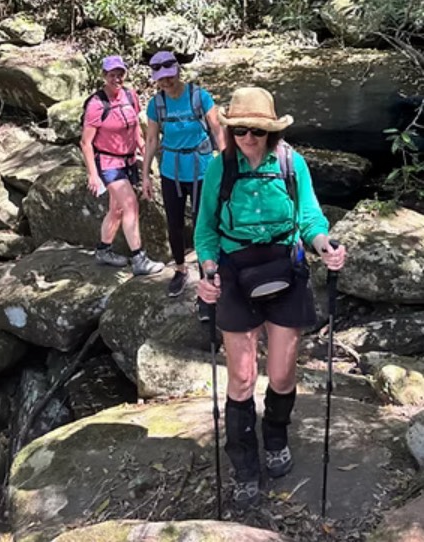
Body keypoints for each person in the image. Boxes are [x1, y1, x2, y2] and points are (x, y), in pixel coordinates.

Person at [195, 87, 346, 509]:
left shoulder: (290, 163)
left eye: (257, 131)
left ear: (271, 132)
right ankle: (244, 464)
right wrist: (207, 271)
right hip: (235, 274)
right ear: (230, 131)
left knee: (280, 375)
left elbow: (309, 216)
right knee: (242, 377)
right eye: (240, 130)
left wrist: (325, 246)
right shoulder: (219, 167)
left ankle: (276, 438)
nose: (248, 138)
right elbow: (205, 229)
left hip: (285, 270)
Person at [142, 50, 225, 302]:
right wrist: (145, 175)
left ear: (178, 71)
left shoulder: (199, 96)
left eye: (169, 76)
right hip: (171, 171)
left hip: (202, 170)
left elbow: (217, 130)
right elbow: (152, 140)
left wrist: (226, 164)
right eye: (161, 79)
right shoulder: (156, 104)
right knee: (174, 224)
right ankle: (180, 269)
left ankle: (206, 274)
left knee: (203, 224)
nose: (166, 82)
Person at [81, 54, 164, 276]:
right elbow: (86, 143)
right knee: (130, 205)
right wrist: (92, 174)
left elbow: (134, 127)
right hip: (108, 162)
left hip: (128, 161)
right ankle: (139, 259)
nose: (116, 79)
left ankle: (103, 251)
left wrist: (144, 150)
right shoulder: (96, 104)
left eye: (120, 74)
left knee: (117, 209)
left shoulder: (130, 95)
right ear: (104, 75)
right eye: (112, 75)